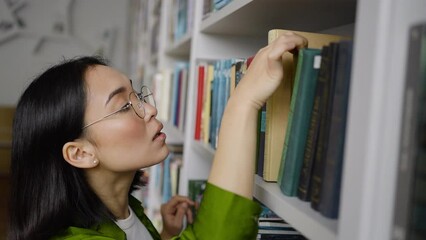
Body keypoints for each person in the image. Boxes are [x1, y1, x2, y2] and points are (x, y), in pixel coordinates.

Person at [8, 32, 307, 240]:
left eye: (138, 94)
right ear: (81, 153)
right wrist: (243, 103)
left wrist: (164, 236)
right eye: (125, 106)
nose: (150, 109)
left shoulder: (126, 210)